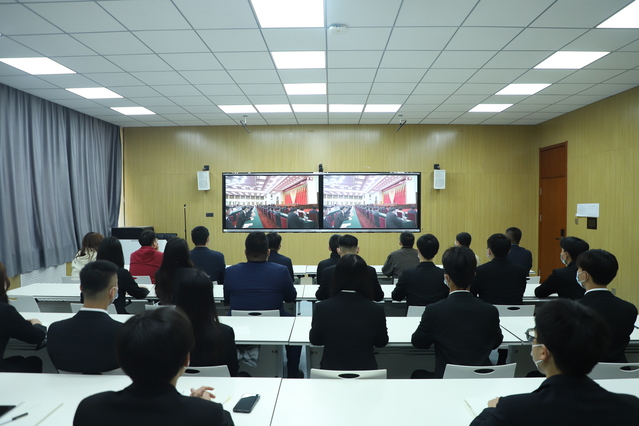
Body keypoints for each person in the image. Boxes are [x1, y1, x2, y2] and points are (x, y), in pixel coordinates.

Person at [470, 299, 639, 425]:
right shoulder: (630, 407)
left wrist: (490, 410)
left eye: (534, 337)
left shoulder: (512, 409)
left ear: (543, 352)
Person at [73, 308, 234, 426]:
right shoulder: (209, 415)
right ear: (187, 360)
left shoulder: (90, 410)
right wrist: (201, 406)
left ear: (121, 360)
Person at [412, 246, 503, 378]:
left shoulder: (434, 310)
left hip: (447, 380)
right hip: (481, 380)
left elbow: (419, 342)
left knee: (417, 374)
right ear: (474, 275)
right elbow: (496, 342)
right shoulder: (490, 311)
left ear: (447, 278)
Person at [224, 232, 301, 378]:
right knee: (295, 328)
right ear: (268, 252)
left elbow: (227, 300)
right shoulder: (280, 271)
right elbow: (290, 298)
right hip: (274, 325)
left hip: (239, 326)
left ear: (245, 252)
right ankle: (292, 372)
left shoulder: (230, 272)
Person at [310, 254, 389, 370]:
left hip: (330, 372)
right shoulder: (376, 309)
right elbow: (381, 342)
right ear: (365, 277)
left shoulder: (321, 308)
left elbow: (316, 340)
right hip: (366, 373)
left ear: (336, 276)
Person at [48, 260, 122, 373]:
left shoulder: (55, 330)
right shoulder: (123, 332)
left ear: (81, 288)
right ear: (113, 292)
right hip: (115, 384)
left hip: (66, 384)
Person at [576, 249, 638, 362]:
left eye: (579, 269)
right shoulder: (629, 309)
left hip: (581, 369)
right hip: (619, 370)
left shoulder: (571, 308)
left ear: (584, 275)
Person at [175, 269, 239, 376]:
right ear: (209, 296)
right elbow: (232, 371)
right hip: (217, 385)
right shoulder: (224, 333)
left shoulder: (168, 333)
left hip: (180, 384)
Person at [0, 261, 46, 373]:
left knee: (18, 359)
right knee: (34, 361)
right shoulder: (4, 311)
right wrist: (37, 324)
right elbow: (35, 337)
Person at [316, 234, 384, 301]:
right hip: (363, 307)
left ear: (338, 250)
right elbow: (378, 296)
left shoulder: (328, 271)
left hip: (335, 307)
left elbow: (320, 296)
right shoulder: (370, 271)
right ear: (358, 250)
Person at [392, 234, 448, 307]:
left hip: (413, 313)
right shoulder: (444, 274)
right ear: (436, 252)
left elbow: (396, 297)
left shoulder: (407, 274)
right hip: (438, 313)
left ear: (418, 251)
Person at [470, 233, 528, 305]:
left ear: (489, 251)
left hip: (489, 310)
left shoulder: (480, 271)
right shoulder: (521, 271)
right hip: (515, 311)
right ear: (509, 251)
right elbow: (521, 292)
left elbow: (472, 294)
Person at [96, 236, 149, 314]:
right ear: (118, 253)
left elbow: (83, 297)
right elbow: (138, 294)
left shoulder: (91, 272)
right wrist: (145, 290)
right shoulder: (121, 273)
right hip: (117, 315)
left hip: (95, 315)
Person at [155, 238, 194, 305]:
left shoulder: (160, 274)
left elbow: (159, 295)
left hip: (166, 310)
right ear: (186, 253)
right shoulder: (193, 274)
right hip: (187, 310)